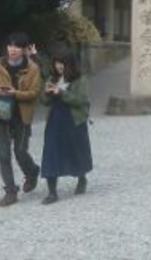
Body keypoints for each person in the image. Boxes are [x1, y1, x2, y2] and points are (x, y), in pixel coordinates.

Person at [0, 32, 43, 207]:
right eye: (10, 45)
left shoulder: (33, 68)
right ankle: (10, 191)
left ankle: (32, 172)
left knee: (20, 152)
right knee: (3, 154)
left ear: (25, 49)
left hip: (22, 117)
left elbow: (34, 94)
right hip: (1, 115)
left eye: (17, 46)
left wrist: (15, 93)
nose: (12, 49)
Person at [39, 51, 93, 204]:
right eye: (56, 63)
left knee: (76, 150)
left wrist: (61, 93)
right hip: (55, 119)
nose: (59, 66)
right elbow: (43, 101)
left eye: (62, 63)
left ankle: (81, 178)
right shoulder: (52, 78)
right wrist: (47, 92)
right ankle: (52, 191)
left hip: (74, 120)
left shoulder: (80, 80)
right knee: (51, 151)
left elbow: (81, 100)